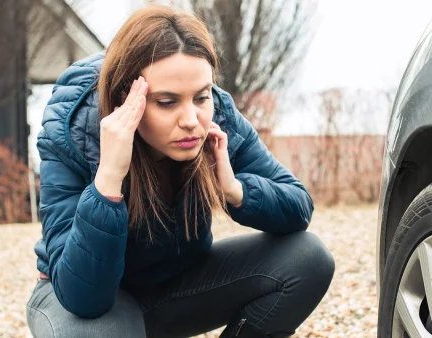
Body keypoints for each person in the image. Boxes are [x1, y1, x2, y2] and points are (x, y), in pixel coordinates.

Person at [25, 5, 335, 338]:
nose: (191, 119)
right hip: (87, 304)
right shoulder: (73, 130)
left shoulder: (217, 119)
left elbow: (299, 205)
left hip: (174, 289)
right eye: (167, 102)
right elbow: (84, 297)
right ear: (124, 99)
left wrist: (234, 189)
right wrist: (108, 181)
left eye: (201, 97)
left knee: (308, 259)